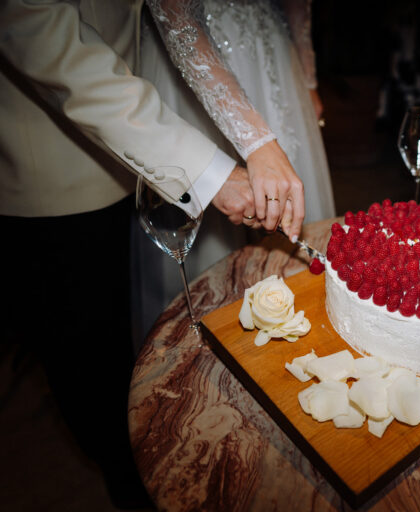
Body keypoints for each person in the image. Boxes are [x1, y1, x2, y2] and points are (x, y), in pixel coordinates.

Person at [0, 0, 304, 508]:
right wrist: (213, 173)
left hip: (139, 146)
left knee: (127, 345)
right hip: (56, 182)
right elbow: (36, 29)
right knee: (93, 386)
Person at [133, 0, 336, 343]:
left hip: (273, 55)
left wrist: (308, 76)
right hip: (195, 55)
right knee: (207, 258)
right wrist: (256, 141)